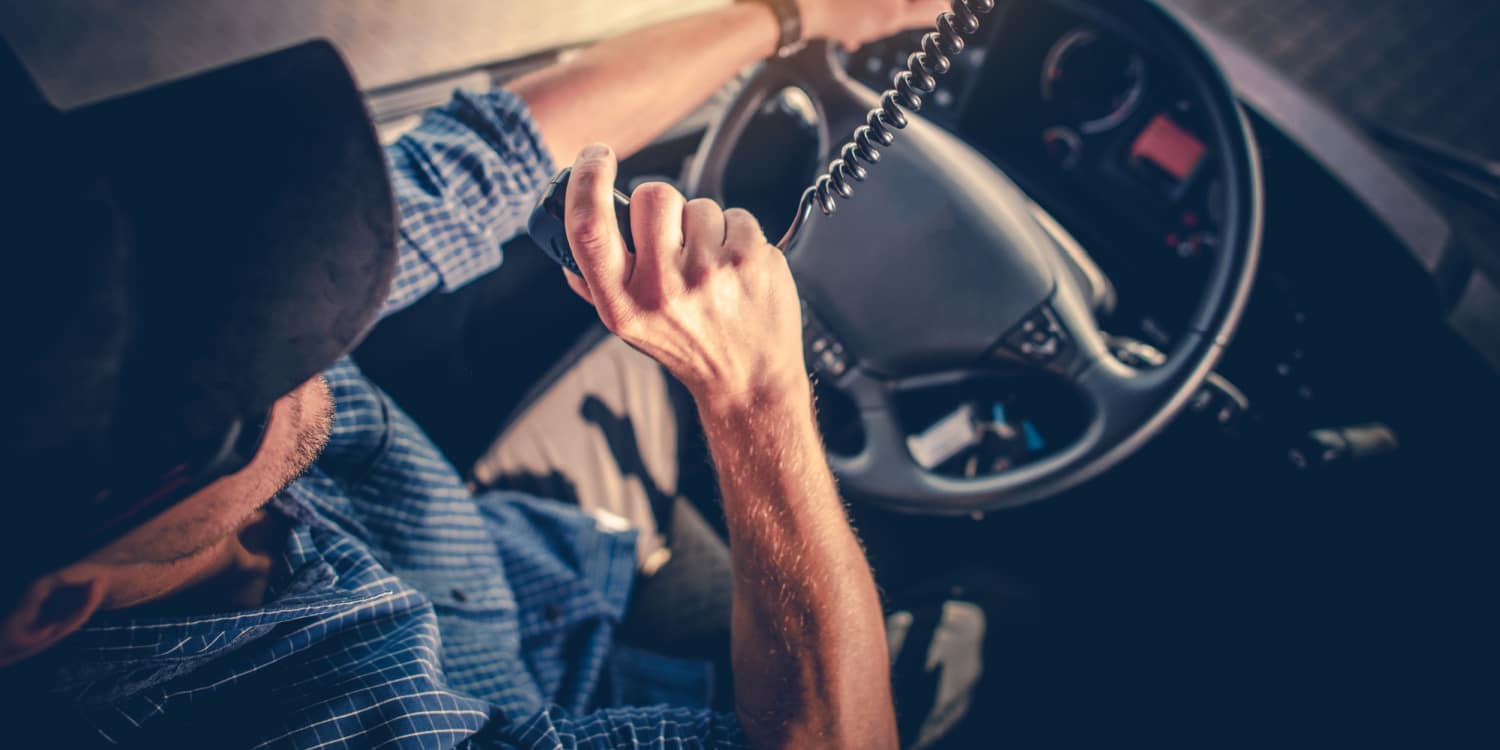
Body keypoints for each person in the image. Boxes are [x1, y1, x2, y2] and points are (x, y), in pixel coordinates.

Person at [0, 1, 950, 747]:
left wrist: (792, 11)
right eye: (228, 392)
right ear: (50, 606)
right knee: (946, 659)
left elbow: (488, 161)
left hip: (553, 559)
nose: (305, 332)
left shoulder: (110, 336)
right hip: (579, 703)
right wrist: (755, 397)